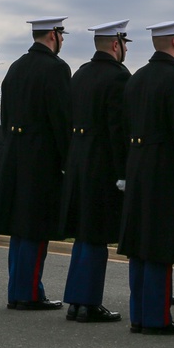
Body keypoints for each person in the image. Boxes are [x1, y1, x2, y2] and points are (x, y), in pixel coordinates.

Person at [118, 19, 174, 336]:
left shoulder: (137, 77)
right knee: (159, 244)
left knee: (140, 243)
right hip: (165, 169)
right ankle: (157, 318)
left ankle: (139, 315)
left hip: (137, 165)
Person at [0, 16, 71, 311]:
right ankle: (29, 293)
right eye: (62, 35)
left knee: (20, 228)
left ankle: (18, 289)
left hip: (16, 155)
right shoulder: (56, 69)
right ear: (53, 35)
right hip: (41, 159)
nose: (62, 40)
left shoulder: (16, 67)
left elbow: (7, 115)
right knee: (36, 229)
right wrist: (67, 159)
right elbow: (61, 120)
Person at [60, 20, 132, 323]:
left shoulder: (81, 73)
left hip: (78, 160)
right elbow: (118, 129)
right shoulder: (118, 77)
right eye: (125, 43)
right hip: (102, 163)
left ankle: (76, 300)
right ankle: (88, 302)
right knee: (95, 235)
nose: (126, 49)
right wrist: (122, 170)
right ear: (116, 44)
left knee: (84, 236)